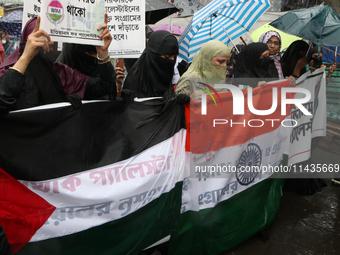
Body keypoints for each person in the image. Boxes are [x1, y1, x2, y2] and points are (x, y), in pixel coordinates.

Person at [0, 14, 115, 115]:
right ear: (26, 41)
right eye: (37, 41)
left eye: (50, 40)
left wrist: (103, 53)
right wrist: (26, 57)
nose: (44, 46)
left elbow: (105, 87)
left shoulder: (63, 73)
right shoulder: (6, 73)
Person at [123, 30, 179, 98]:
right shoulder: (135, 81)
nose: (172, 60)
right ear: (153, 55)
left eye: (175, 57)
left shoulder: (166, 78)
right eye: (167, 57)